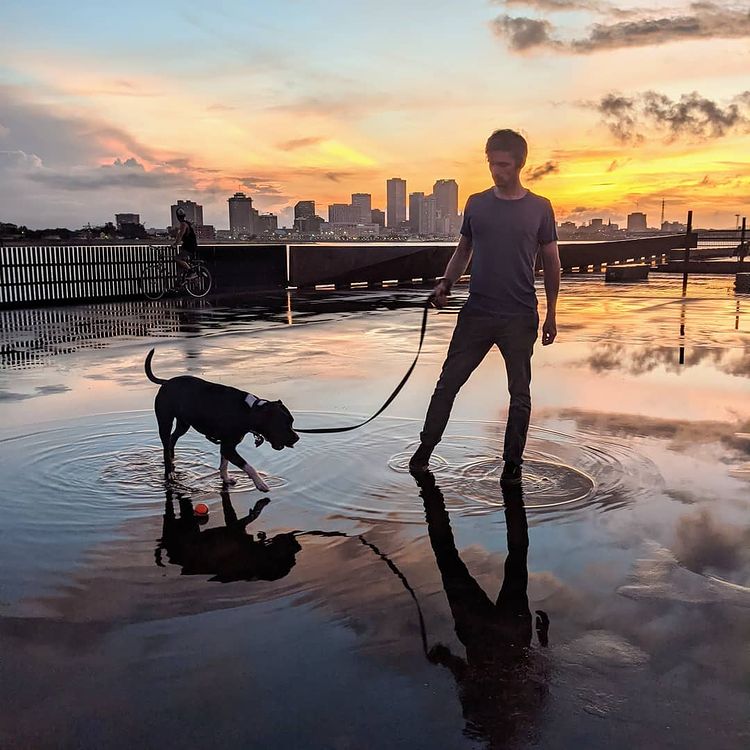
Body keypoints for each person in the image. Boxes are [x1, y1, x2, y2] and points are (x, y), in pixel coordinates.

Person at [409, 129, 561, 486]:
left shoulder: (540, 208)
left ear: (520, 164)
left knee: (519, 393)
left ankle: (512, 465)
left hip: (520, 315)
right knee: (447, 385)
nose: (496, 171)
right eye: (492, 163)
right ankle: (423, 455)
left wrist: (552, 313)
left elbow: (552, 260)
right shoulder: (476, 204)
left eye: (503, 164)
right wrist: (446, 282)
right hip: (476, 312)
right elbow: (464, 250)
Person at [173, 207, 198, 280]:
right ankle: (180, 280)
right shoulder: (186, 223)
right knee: (181, 261)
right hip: (189, 246)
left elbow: (180, 235)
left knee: (177, 258)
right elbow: (179, 236)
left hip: (189, 247)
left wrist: (175, 244)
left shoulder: (183, 224)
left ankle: (191, 272)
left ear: (177, 217)